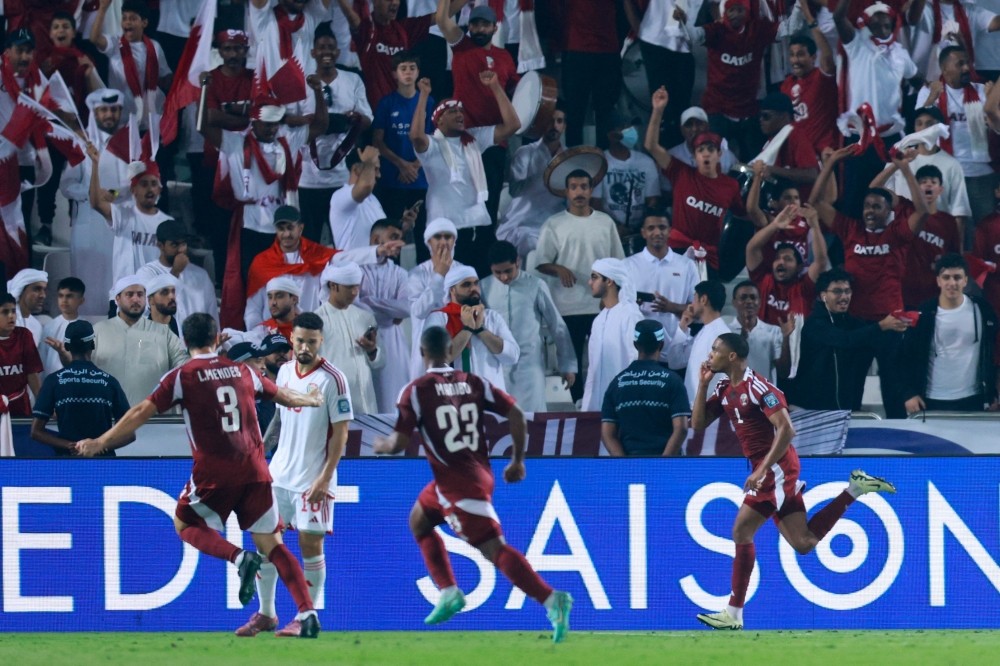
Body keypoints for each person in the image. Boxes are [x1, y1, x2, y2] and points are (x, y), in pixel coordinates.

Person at [76, 313, 326, 638]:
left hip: (215, 473)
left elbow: (142, 411)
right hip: (255, 468)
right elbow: (281, 395)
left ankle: (239, 558)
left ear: (184, 341)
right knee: (274, 544)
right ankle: (307, 613)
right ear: (217, 336)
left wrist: (101, 441)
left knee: (184, 524)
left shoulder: (183, 375)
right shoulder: (243, 371)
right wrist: (309, 399)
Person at [373, 325, 573, 642]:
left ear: (422, 353)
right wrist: (518, 460)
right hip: (468, 475)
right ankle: (449, 591)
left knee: (495, 550)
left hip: (460, 485)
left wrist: (382, 445)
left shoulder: (416, 389)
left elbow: (398, 442)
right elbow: (517, 413)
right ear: (451, 352)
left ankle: (551, 599)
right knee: (419, 519)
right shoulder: (473, 382)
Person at [690, 332, 897, 630]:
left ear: (732, 356)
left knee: (741, 530)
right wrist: (702, 384)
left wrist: (762, 470)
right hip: (769, 469)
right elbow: (696, 425)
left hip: (776, 469)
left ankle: (733, 613)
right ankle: (855, 488)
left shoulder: (759, 387)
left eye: (715, 350)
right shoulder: (723, 388)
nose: (710, 355)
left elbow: (786, 430)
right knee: (804, 543)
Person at [237, 312, 352, 637]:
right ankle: (267, 613)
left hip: (313, 479)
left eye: (311, 342)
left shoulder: (334, 379)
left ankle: (307, 617)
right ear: (292, 339)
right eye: (299, 340)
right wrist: (260, 453)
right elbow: (279, 418)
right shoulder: (285, 371)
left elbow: (341, 435)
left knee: (309, 545)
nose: (304, 347)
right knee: (266, 544)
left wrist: (324, 479)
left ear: (321, 341)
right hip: (279, 477)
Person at [811, 146, 929, 417]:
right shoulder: (850, 229)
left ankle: (898, 451)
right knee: (850, 392)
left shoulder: (897, 233)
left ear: (890, 211)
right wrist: (832, 163)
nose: (869, 210)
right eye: (866, 205)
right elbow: (816, 203)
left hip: (891, 324)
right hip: (856, 324)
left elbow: (922, 211)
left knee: (894, 394)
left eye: (877, 206)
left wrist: (904, 168)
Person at [410, 74, 521, 275]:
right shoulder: (432, 145)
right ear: (439, 120)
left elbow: (513, 125)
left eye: (460, 111)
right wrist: (423, 96)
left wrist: (495, 86)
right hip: (447, 233)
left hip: (480, 227)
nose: (460, 114)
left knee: (481, 288)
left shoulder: (474, 138)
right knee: (452, 291)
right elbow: (416, 136)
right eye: (452, 111)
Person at [532, 170, 625, 403]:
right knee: (572, 365)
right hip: (567, 305)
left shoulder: (605, 222)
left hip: (602, 306)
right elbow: (541, 263)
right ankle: (578, 407)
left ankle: (606, 404)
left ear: (591, 190)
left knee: (603, 358)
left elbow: (618, 264)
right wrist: (559, 269)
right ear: (566, 191)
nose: (579, 192)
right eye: (574, 187)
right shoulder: (554, 224)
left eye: (584, 186)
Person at [645, 87, 746, 278]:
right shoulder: (681, 173)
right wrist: (658, 110)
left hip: (709, 257)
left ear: (720, 154)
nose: (706, 153)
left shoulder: (730, 186)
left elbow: (744, 217)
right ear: (695, 155)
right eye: (701, 150)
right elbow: (651, 145)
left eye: (711, 149)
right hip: (678, 252)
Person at [833, 0, 917, 218]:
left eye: (886, 24)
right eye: (876, 23)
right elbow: (839, 18)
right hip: (859, 139)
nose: (882, 27)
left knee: (890, 197)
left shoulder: (900, 53)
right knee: (854, 197)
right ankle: (852, 248)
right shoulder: (856, 43)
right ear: (866, 24)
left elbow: (915, 77)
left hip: (890, 137)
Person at [788, 268, 908, 411]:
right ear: (823, 295)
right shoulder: (815, 324)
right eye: (837, 291)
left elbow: (871, 339)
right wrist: (881, 325)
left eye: (847, 291)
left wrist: (897, 329)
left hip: (846, 409)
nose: (844, 296)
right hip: (810, 408)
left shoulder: (853, 323)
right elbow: (845, 340)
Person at [675, 0, 778, 160]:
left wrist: (801, 8)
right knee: (713, 160)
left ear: (747, 12)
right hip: (718, 109)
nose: (735, 14)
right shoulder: (716, 31)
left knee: (755, 162)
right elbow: (693, 36)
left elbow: (788, 29)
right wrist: (683, 21)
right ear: (724, 13)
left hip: (748, 109)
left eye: (740, 10)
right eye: (731, 10)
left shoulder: (757, 29)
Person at [298, 25, 372, 244]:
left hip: (342, 177)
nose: (326, 52)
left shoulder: (353, 80)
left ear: (338, 52)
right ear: (313, 52)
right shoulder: (302, 82)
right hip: (307, 178)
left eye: (331, 47)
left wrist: (353, 119)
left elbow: (369, 120)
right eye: (321, 47)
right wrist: (313, 122)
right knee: (309, 241)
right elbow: (290, 121)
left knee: (344, 241)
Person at [481, 241, 576, 411]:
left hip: (529, 368)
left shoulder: (535, 285)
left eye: (508, 271)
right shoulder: (483, 287)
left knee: (533, 423)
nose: (504, 277)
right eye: (498, 272)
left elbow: (557, 326)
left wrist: (567, 365)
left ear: (517, 261)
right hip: (495, 368)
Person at [915, 45, 994, 247]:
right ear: (944, 68)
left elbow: (996, 126)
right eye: (960, 64)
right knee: (947, 230)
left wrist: (992, 101)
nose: (967, 68)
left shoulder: (982, 91)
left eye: (967, 63)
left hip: (979, 172)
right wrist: (932, 98)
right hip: (946, 172)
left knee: (986, 229)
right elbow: (920, 131)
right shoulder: (929, 92)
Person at [901, 254, 1000, 413]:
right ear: (938, 280)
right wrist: (909, 393)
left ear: (965, 280)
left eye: (957, 277)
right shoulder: (924, 312)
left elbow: (993, 354)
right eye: (946, 277)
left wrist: (993, 393)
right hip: (931, 399)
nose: (952, 283)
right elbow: (906, 355)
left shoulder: (982, 310)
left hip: (973, 398)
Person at [61, 88, 123, 313]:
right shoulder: (81, 144)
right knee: (87, 284)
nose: (110, 115)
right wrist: (92, 194)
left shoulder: (128, 143)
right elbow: (66, 186)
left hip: (117, 227)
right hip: (87, 227)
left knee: (114, 284)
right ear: (95, 113)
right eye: (104, 110)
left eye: (115, 110)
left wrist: (113, 194)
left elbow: (129, 186)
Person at [31, 320, 130, 457]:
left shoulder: (54, 381)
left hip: (66, 463)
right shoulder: (110, 382)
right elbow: (129, 434)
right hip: (104, 465)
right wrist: (99, 444)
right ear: (93, 344)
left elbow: (36, 432)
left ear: (66, 345)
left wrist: (68, 445)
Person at [870, 163, 960, 309]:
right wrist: (896, 165)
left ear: (940, 189)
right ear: (915, 188)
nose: (928, 185)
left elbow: (954, 258)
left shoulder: (948, 222)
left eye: (933, 182)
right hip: (899, 292)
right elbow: (874, 190)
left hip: (933, 295)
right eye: (923, 182)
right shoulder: (905, 208)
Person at [372, 51, 434, 260]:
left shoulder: (428, 101)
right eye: (403, 68)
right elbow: (378, 141)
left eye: (412, 68)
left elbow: (435, 139)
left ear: (418, 72)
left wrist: (415, 166)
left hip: (420, 180)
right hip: (393, 180)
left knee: (424, 238)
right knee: (392, 239)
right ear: (394, 74)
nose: (408, 73)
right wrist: (401, 165)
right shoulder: (386, 103)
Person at [90, 276, 188, 407]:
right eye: (129, 294)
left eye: (140, 294)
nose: (136, 299)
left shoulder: (164, 333)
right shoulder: (98, 331)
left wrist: (204, 352)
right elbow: (84, 369)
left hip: (153, 418)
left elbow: (183, 366)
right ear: (117, 299)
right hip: (108, 416)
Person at [86, 142, 173, 285]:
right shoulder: (123, 216)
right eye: (144, 184)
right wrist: (95, 164)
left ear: (160, 189)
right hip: (123, 296)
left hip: (152, 297)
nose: (150, 189)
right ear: (135, 190)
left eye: (154, 184)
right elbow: (98, 201)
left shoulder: (167, 223)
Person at [601, 319, 690, 456]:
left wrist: (624, 463)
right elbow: (682, 428)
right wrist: (663, 463)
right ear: (661, 344)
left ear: (635, 344)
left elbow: (607, 433)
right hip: (667, 466)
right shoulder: (673, 381)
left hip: (631, 464)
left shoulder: (617, 383)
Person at [423, 265, 519, 391]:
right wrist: (467, 329)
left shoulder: (491, 317)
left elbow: (512, 356)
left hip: (490, 398)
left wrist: (480, 330)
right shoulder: (438, 318)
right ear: (452, 290)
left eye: (476, 283)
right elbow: (437, 360)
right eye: (466, 285)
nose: (474, 288)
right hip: (453, 399)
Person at [882, 107, 970, 234]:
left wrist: (957, 248)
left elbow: (959, 211)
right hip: (904, 231)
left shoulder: (952, 164)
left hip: (937, 234)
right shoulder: (898, 158)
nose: (924, 128)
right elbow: (884, 196)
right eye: (919, 123)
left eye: (929, 124)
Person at [495, 104, 568, 260]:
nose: (554, 126)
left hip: (554, 223)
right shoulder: (525, 153)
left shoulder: (569, 158)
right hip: (522, 223)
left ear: (564, 126)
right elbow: (514, 191)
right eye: (550, 121)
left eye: (559, 121)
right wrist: (542, 175)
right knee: (530, 242)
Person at [314, 262, 383, 415]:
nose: (355, 292)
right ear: (333, 286)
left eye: (357, 287)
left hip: (367, 404)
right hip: (333, 403)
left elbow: (380, 363)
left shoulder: (365, 317)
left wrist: (372, 351)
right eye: (350, 287)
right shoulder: (316, 320)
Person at [358, 219, 412, 413]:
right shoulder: (357, 269)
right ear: (375, 239)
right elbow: (356, 306)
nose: (400, 243)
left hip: (393, 341)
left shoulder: (400, 273)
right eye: (393, 238)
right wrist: (390, 311)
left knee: (395, 401)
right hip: (362, 337)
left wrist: (370, 301)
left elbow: (406, 308)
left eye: (401, 238)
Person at [746, 203, 828, 326]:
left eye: (788, 259)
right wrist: (774, 225)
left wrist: (814, 226)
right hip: (764, 341)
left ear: (799, 267)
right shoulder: (763, 279)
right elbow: (752, 249)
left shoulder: (804, 287)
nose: (781, 261)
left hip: (795, 342)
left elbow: (821, 261)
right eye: (777, 258)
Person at [89, 0, 172, 120]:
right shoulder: (114, 44)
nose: (127, 22)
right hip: (124, 117)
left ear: (144, 22)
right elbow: (94, 38)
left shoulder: (155, 47)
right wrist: (102, 9)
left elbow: (164, 77)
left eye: (133, 18)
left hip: (153, 116)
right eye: (124, 18)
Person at [625, 211, 699, 344]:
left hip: (675, 345)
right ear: (643, 233)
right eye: (651, 228)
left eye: (662, 227)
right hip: (637, 347)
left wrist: (672, 307)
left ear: (670, 231)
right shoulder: (628, 265)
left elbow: (698, 308)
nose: (657, 232)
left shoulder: (687, 265)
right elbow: (610, 305)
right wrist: (630, 305)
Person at [581, 258, 644, 412]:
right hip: (598, 406)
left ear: (609, 281)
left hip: (625, 404)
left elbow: (637, 361)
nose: (590, 282)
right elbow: (593, 369)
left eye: (594, 277)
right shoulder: (599, 319)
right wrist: (586, 408)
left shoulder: (630, 314)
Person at [136, 220, 219, 331]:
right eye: (174, 244)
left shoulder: (200, 275)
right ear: (160, 245)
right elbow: (146, 309)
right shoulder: (147, 273)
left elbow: (212, 315)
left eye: (183, 243)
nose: (181, 249)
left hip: (197, 344)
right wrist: (175, 272)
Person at [593, 113, 662, 235]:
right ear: (611, 135)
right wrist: (615, 227)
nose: (630, 131)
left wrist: (643, 227)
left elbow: (653, 201)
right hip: (610, 231)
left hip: (641, 232)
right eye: (623, 127)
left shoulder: (646, 162)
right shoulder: (599, 162)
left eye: (630, 127)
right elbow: (595, 204)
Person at [780, 21, 838, 157]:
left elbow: (828, 59)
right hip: (798, 156)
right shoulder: (786, 85)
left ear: (813, 57)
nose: (795, 60)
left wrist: (812, 22)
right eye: (792, 55)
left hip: (823, 153)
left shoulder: (821, 78)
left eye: (800, 54)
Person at [667, 280, 732, 400]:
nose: (690, 305)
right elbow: (675, 362)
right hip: (694, 409)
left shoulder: (722, 334)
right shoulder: (703, 332)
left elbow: (721, 381)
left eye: (694, 298)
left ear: (703, 300)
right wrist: (682, 327)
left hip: (707, 413)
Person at [728, 280, 790, 383]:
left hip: (764, 396)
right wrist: (740, 340)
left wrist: (786, 338)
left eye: (753, 297)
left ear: (760, 302)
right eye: (743, 297)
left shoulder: (773, 331)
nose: (749, 301)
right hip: (736, 396)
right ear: (734, 302)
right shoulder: (726, 331)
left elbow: (784, 372)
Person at [0, 292, 42, 417]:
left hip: (20, 408)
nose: (11, 316)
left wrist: (44, 407)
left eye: (13, 311)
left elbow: (32, 376)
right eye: (5, 312)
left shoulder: (24, 336)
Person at [39, 277, 85, 379]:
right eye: (61, 296)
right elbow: (42, 359)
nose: (64, 300)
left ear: (81, 300)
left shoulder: (86, 329)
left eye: (69, 296)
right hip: (52, 383)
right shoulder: (49, 327)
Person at [7, 268, 47, 346]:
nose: (43, 295)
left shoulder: (36, 326)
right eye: (37, 289)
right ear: (21, 290)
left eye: (44, 290)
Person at [255, 277, 302, 342]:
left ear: (294, 299)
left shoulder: (307, 328)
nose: (273, 302)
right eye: (270, 297)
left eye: (279, 296)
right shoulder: (262, 331)